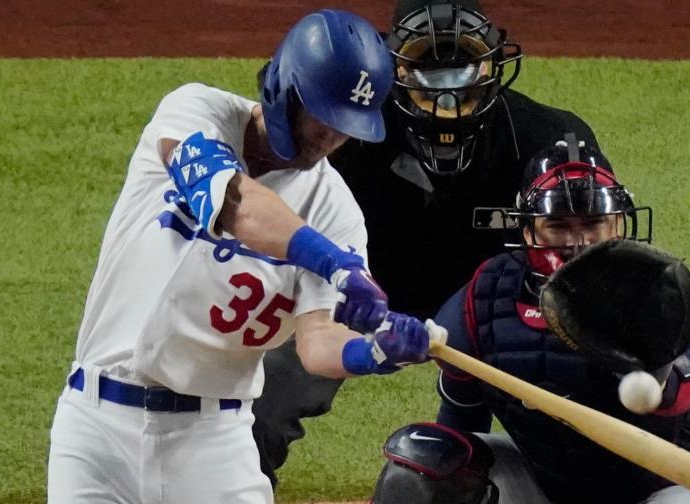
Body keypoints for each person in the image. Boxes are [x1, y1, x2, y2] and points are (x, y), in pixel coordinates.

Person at [46, 9, 431, 504]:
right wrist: (335, 263)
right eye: (323, 115)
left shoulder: (334, 211)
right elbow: (236, 204)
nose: (331, 137)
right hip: (95, 428)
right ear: (285, 88)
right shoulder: (194, 111)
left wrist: (373, 352)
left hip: (212, 445)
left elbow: (316, 342)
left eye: (345, 125)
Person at [252, 0, 610, 484]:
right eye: (429, 70)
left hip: (495, 308)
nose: (448, 95)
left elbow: (596, 260)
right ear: (393, 69)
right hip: (353, 292)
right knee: (262, 394)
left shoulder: (545, 140)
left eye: (463, 68)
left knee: (569, 396)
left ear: (491, 66)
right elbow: (268, 211)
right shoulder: (342, 127)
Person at [370, 138, 690, 504]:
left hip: (661, 485)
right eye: (558, 225)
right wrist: (448, 486)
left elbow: (682, 399)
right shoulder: (487, 297)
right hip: (543, 486)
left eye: (594, 222)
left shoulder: (658, 294)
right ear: (527, 231)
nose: (578, 242)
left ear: (618, 224)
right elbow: (461, 418)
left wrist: (657, 370)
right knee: (422, 465)